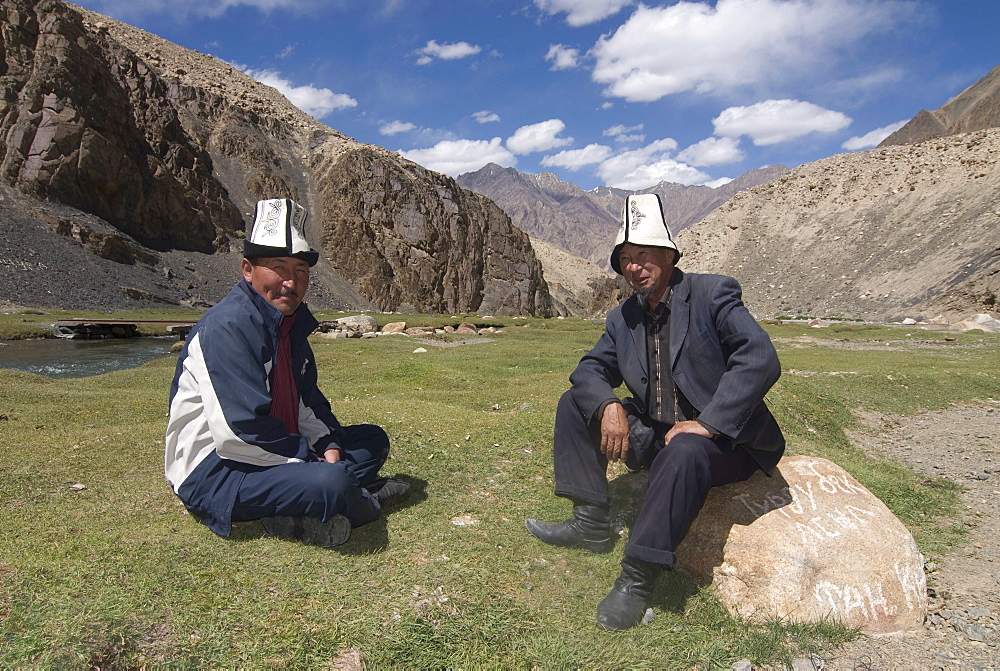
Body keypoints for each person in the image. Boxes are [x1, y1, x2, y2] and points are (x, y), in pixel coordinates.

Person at [525, 193, 784, 631]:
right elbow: (590, 369)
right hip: (660, 433)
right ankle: (590, 522)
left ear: (669, 256)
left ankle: (638, 578)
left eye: (643, 255)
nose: (633, 266)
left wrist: (707, 423)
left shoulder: (712, 293)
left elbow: (758, 356)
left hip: (725, 443)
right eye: (625, 258)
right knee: (577, 401)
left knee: (684, 449)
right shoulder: (623, 317)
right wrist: (608, 404)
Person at [164, 197, 409, 547]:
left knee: (371, 440)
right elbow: (240, 432)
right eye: (278, 268)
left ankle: (305, 501)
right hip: (216, 469)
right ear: (248, 269)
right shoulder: (227, 328)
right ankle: (363, 501)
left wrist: (327, 445)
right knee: (332, 482)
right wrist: (315, 464)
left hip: (272, 450)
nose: (290, 283)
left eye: (300, 272)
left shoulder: (288, 327)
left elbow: (306, 401)